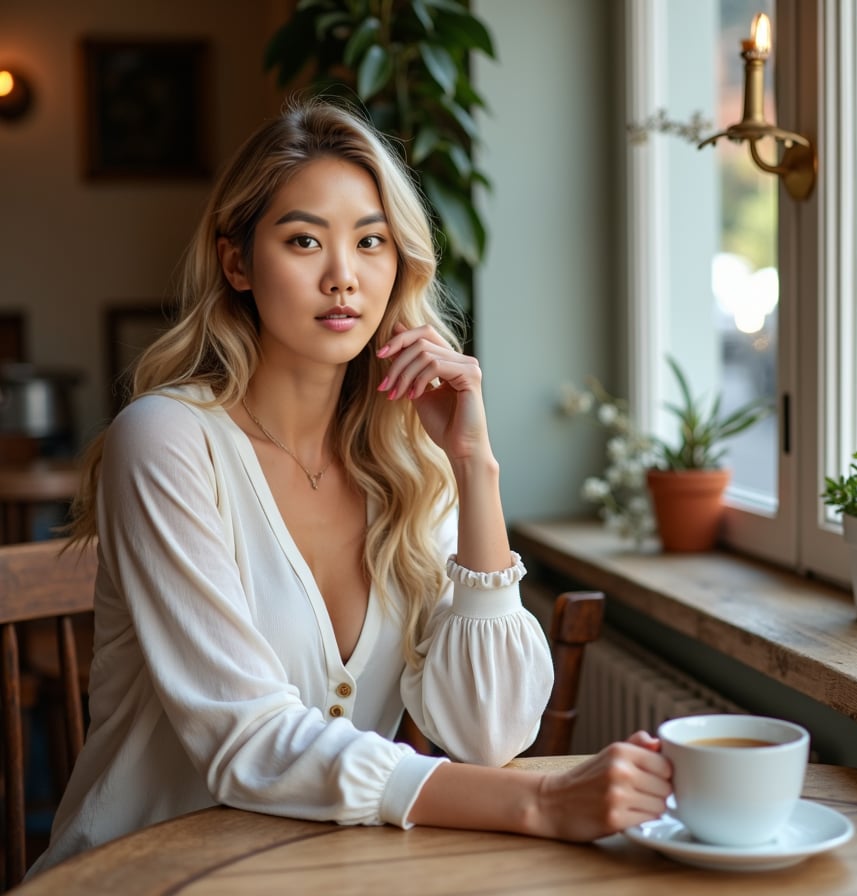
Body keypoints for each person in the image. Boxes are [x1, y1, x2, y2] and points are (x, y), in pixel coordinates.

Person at [27, 97, 671, 877]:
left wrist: (473, 466)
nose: (343, 277)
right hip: (142, 878)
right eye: (304, 240)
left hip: (314, 877)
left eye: (372, 242)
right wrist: (541, 804)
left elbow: (491, 729)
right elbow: (248, 741)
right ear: (237, 262)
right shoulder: (166, 442)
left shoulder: (408, 462)